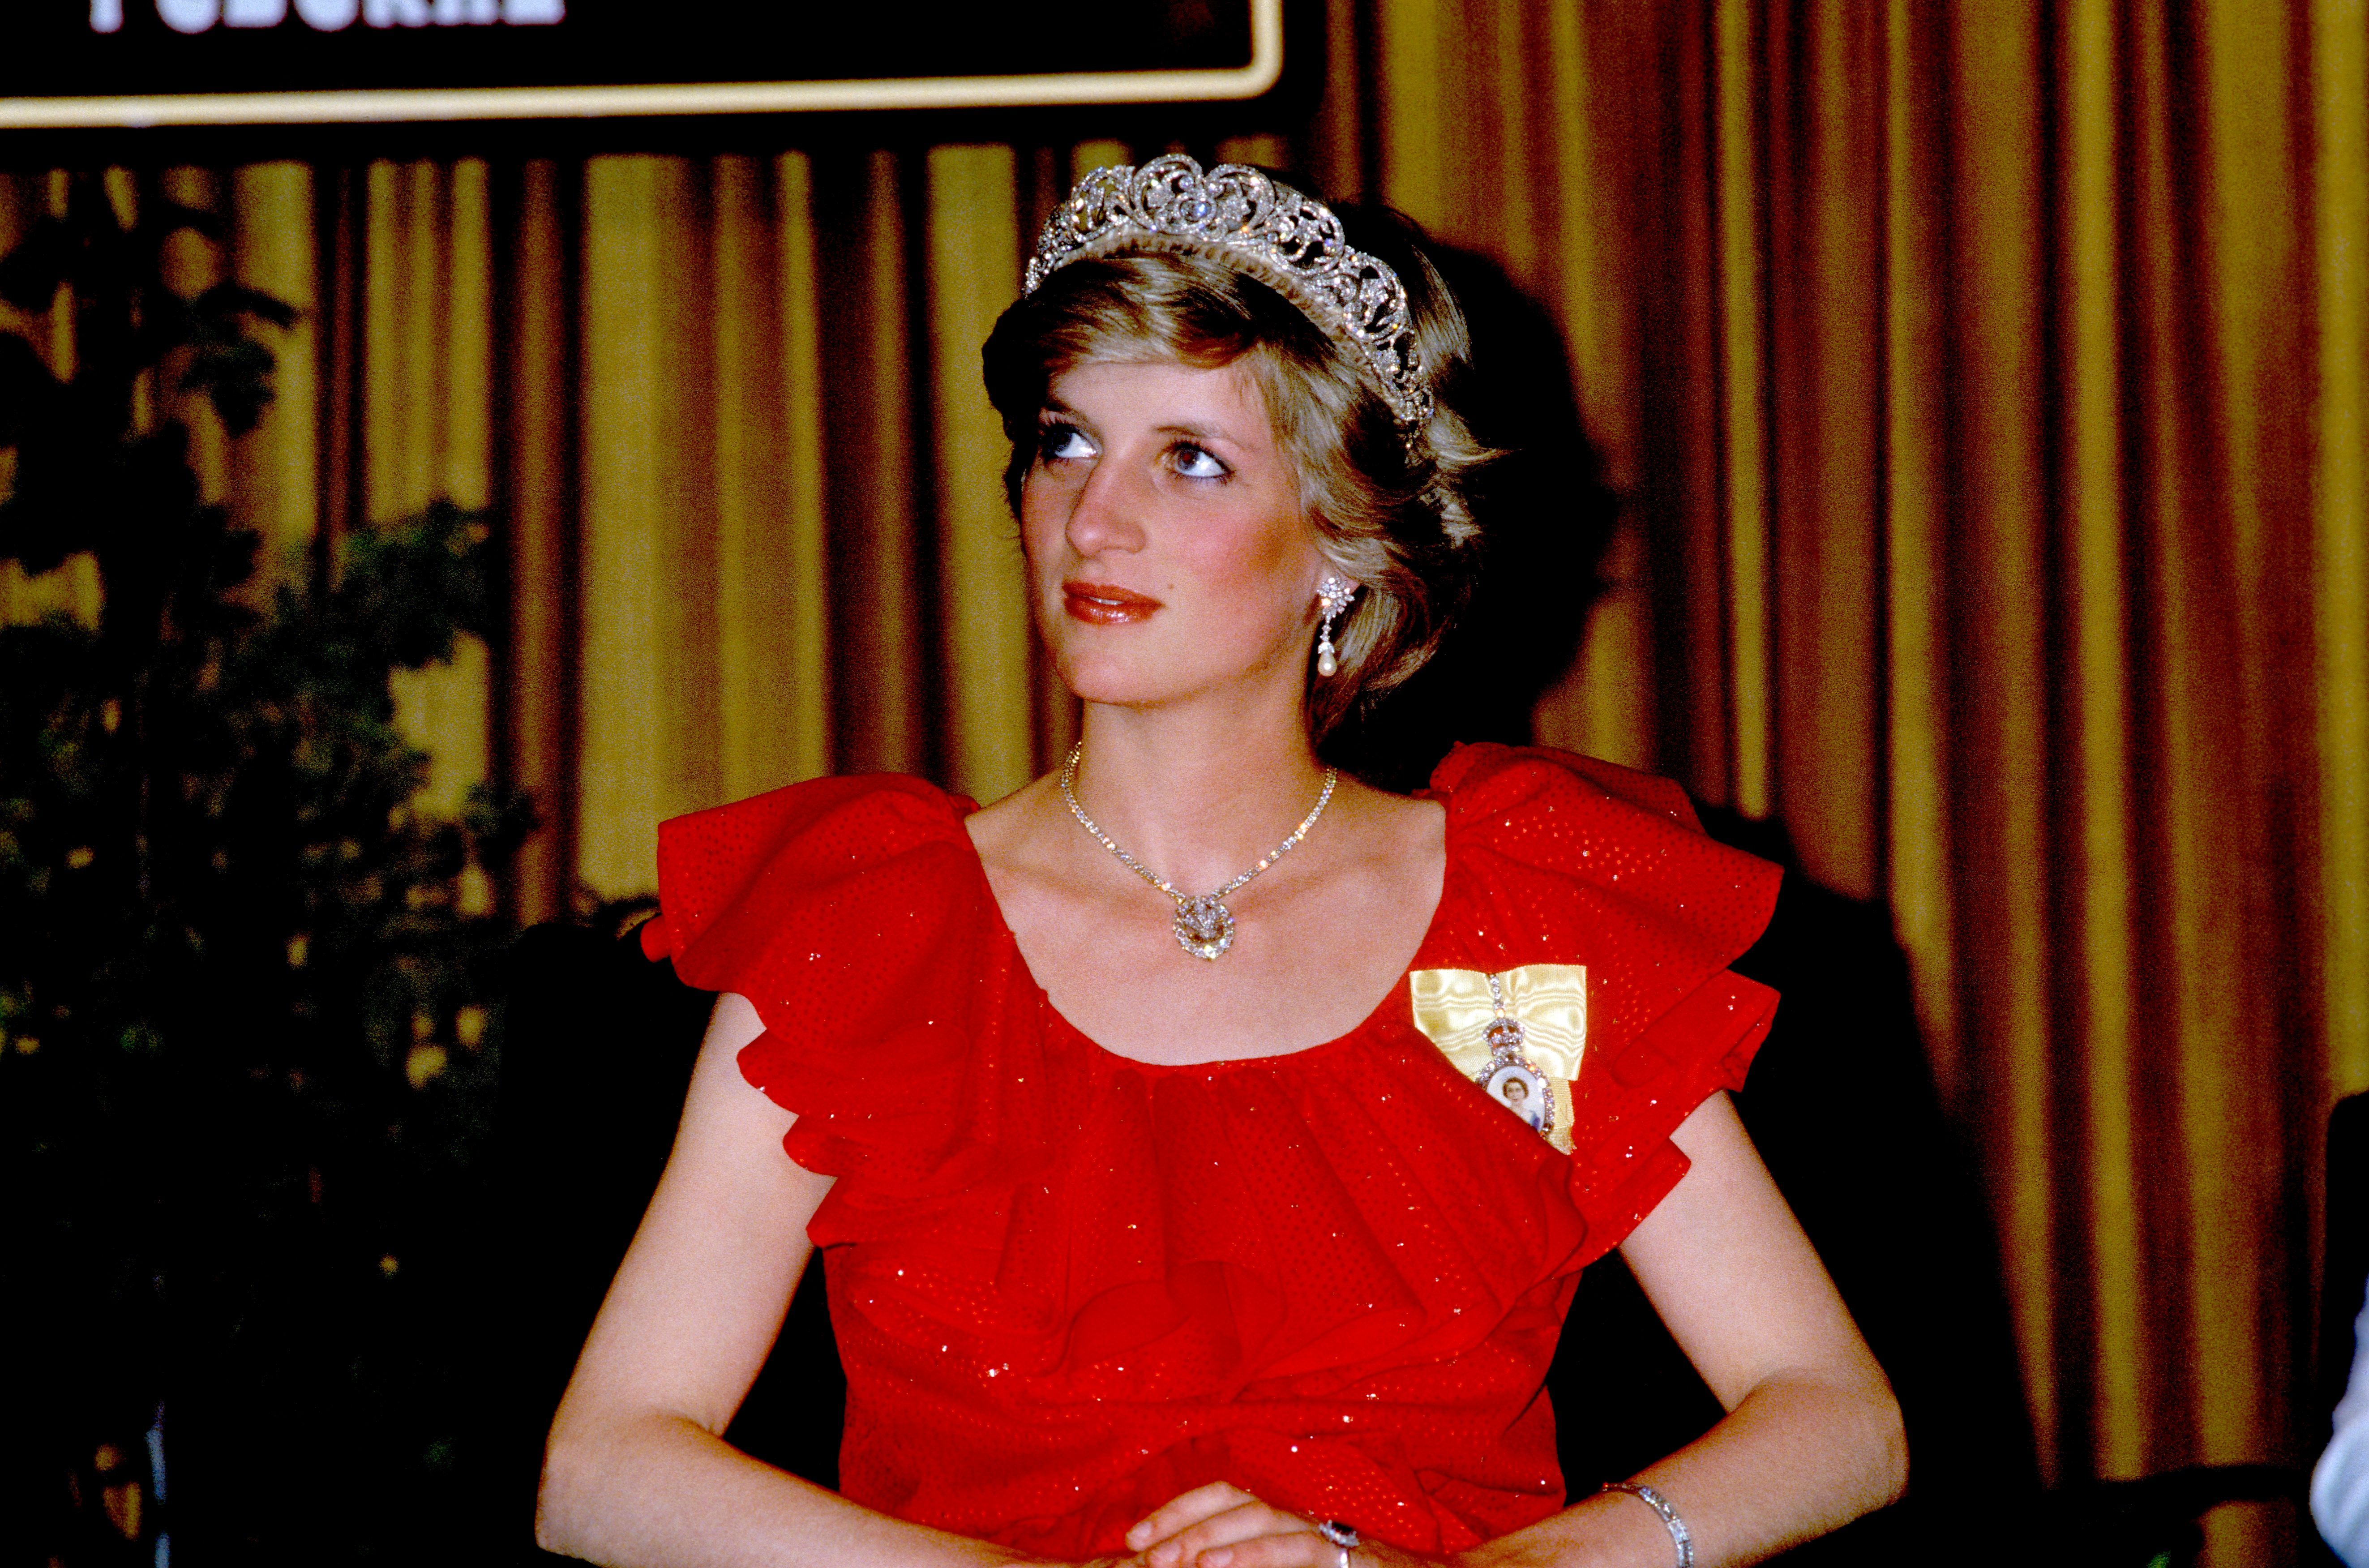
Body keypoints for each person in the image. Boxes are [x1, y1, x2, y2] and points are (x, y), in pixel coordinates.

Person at [535, 156, 1905, 1568]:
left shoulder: (1517, 930)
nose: (1092, 519)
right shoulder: (872, 932)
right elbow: (605, 1465)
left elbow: (1834, 1416)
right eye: (1066, 442)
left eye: (1188, 459)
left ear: (1343, 547)